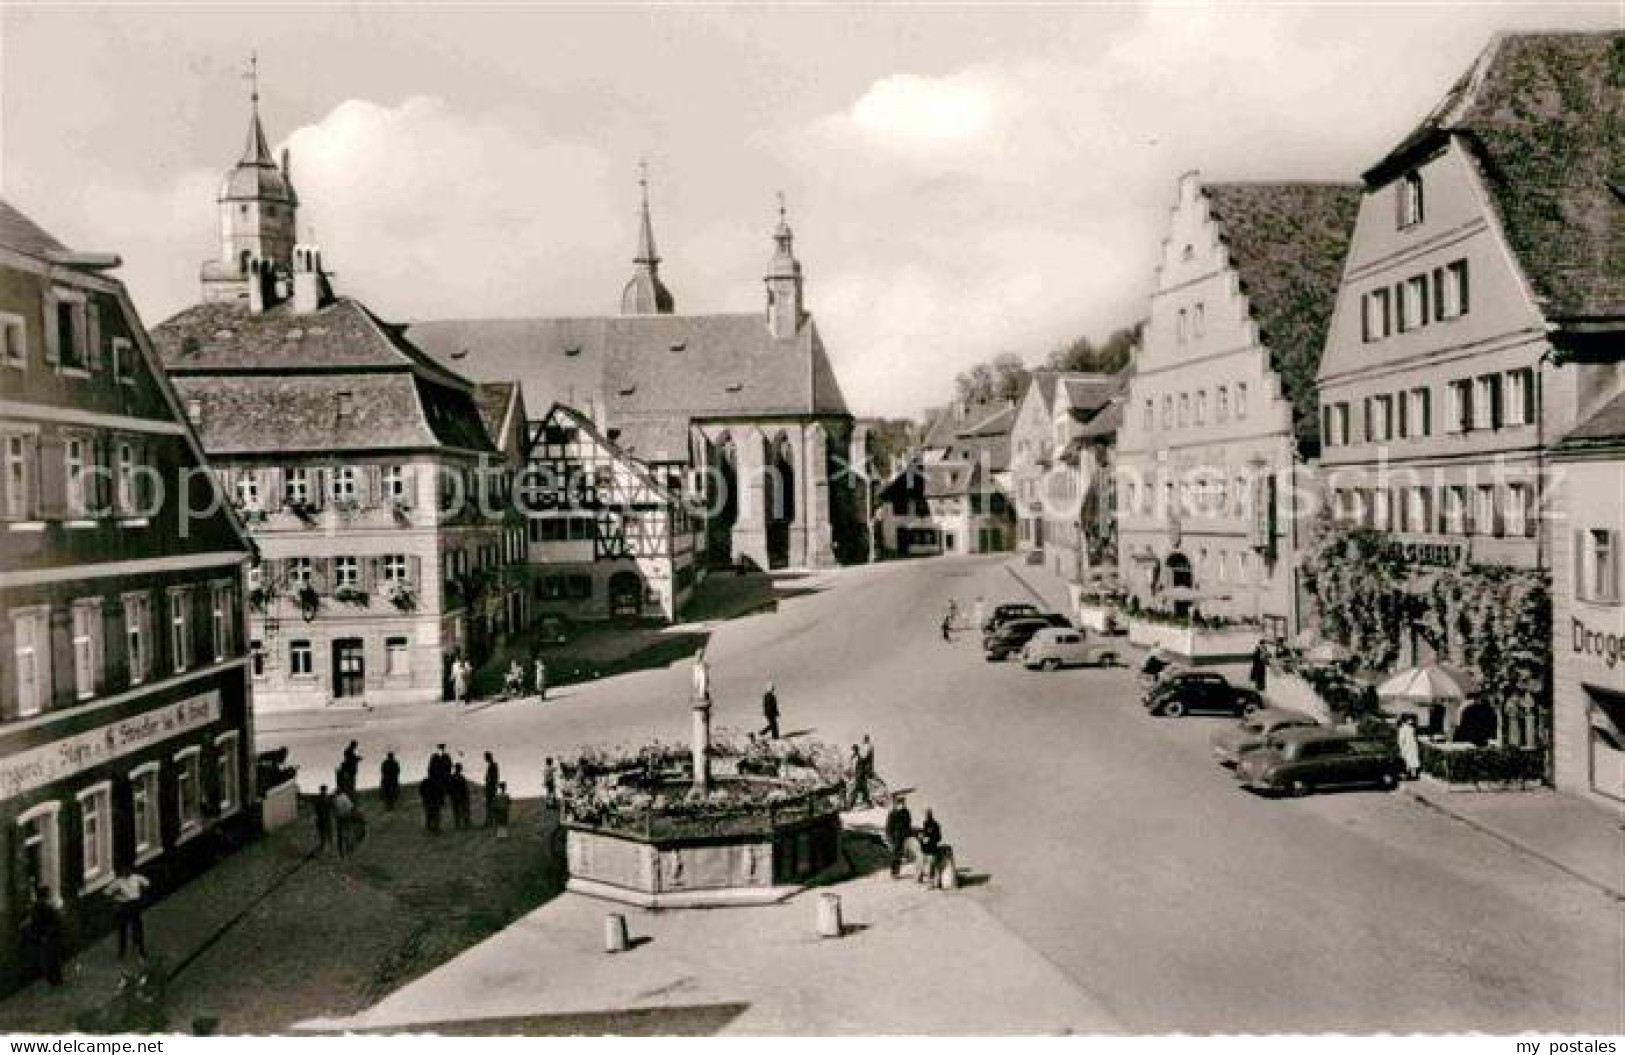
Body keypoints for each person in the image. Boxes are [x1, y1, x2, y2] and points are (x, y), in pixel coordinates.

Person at [22, 885, 65, 986]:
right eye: (48, 893)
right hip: (48, 937)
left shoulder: (35, 908)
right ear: (45, 895)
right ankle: (56, 980)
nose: (50, 894)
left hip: (41, 939)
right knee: (52, 960)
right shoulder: (46, 907)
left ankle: (52, 979)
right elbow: (54, 922)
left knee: (47, 960)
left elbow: (32, 925)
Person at [107, 866, 151, 960]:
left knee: (137, 928)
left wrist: (143, 894)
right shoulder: (118, 882)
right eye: (124, 871)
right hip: (124, 906)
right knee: (122, 929)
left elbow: (147, 883)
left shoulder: (136, 878)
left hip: (134, 905)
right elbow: (107, 892)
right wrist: (117, 898)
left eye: (127, 870)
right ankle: (122, 952)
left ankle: (141, 950)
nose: (126, 872)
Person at [884, 797, 914, 879]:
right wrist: (889, 836)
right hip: (895, 836)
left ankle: (897, 871)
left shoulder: (906, 812)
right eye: (900, 803)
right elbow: (889, 826)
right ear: (897, 804)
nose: (902, 805)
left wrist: (908, 833)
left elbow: (908, 823)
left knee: (900, 854)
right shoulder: (893, 813)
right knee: (895, 855)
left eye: (903, 803)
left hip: (904, 835)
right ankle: (894, 872)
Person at [918, 809, 943, 888]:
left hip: (932, 849)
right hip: (925, 849)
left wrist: (930, 838)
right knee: (923, 863)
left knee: (932, 866)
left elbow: (939, 838)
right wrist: (921, 838)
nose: (927, 816)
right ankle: (921, 877)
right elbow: (923, 835)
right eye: (926, 815)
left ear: (931, 815)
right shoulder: (924, 824)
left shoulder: (935, 825)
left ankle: (932, 882)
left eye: (928, 815)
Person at [332, 789, 358, 857]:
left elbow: (335, 810)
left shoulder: (335, 799)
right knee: (348, 832)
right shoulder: (345, 797)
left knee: (340, 834)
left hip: (340, 818)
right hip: (347, 816)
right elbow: (351, 807)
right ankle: (349, 848)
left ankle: (341, 851)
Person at [1397, 714, 1422, 780]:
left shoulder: (1403, 728)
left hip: (1407, 746)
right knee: (1412, 760)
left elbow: (1401, 739)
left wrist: (1400, 746)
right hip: (1412, 745)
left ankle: (1409, 774)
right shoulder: (1411, 728)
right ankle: (1414, 774)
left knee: (1407, 760)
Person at [449, 763, 472, 830]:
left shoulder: (457, 777)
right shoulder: (460, 778)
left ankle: (461, 824)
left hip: (458, 797)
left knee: (458, 811)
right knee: (460, 811)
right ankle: (462, 824)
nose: (459, 770)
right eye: (458, 768)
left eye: (459, 768)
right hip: (459, 797)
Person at [313, 785, 334, 853]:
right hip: (324, 818)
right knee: (325, 832)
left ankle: (326, 844)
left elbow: (316, 808)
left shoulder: (320, 799)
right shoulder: (326, 799)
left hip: (324, 818)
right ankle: (326, 844)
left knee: (325, 832)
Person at [483, 752, 501, 827]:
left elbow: (492, 778)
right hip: (492, 787)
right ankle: (492, 821)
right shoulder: (493, 765)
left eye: (485, 757)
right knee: (491, 804)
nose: (485, 759)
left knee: (490, 805)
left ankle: (490, 821)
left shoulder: (492, 765)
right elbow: (495, 777)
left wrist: (487, 781)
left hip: (491, 787)